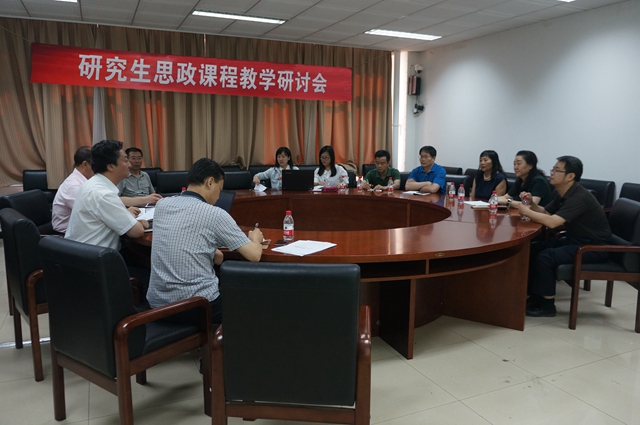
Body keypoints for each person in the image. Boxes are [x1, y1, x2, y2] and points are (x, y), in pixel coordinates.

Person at [148, 158, 264, 324]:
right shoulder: (215, 214)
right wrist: (255, 239)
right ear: (210, 182)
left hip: (157, 306)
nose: (218, 197)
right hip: (197, 307)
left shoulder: (162, 205)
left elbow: (183, 235)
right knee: (250, 295)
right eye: (219, 189)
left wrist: (210, 250)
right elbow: (254, 255)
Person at [518, 155, 611, 317]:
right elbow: (546, 212)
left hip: (594, 247)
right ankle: (534, 296)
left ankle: (547, 305)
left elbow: (553, 222)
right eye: (552, 169)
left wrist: (526, 211)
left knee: (546, 257)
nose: (551, 173)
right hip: (575, 240)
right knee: (534, 248)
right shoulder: (561, 192)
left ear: (570, 176)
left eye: (557, 170)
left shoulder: (579, 197)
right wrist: (531, 204)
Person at [66, 140, 149, 251]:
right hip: (95, 258)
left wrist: (127, 215)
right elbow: (137, 232)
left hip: (80, 252)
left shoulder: (90, 184)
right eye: (126, 161)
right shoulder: (104, 194)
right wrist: (141, 222)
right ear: (110, 166)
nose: (129, 165)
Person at [51, 146, 94, 233]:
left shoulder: (85, 181)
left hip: (80, 228)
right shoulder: (73, 186)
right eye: (96, 164)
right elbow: (90, 213)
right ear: (85, 165)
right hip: (65, 235)